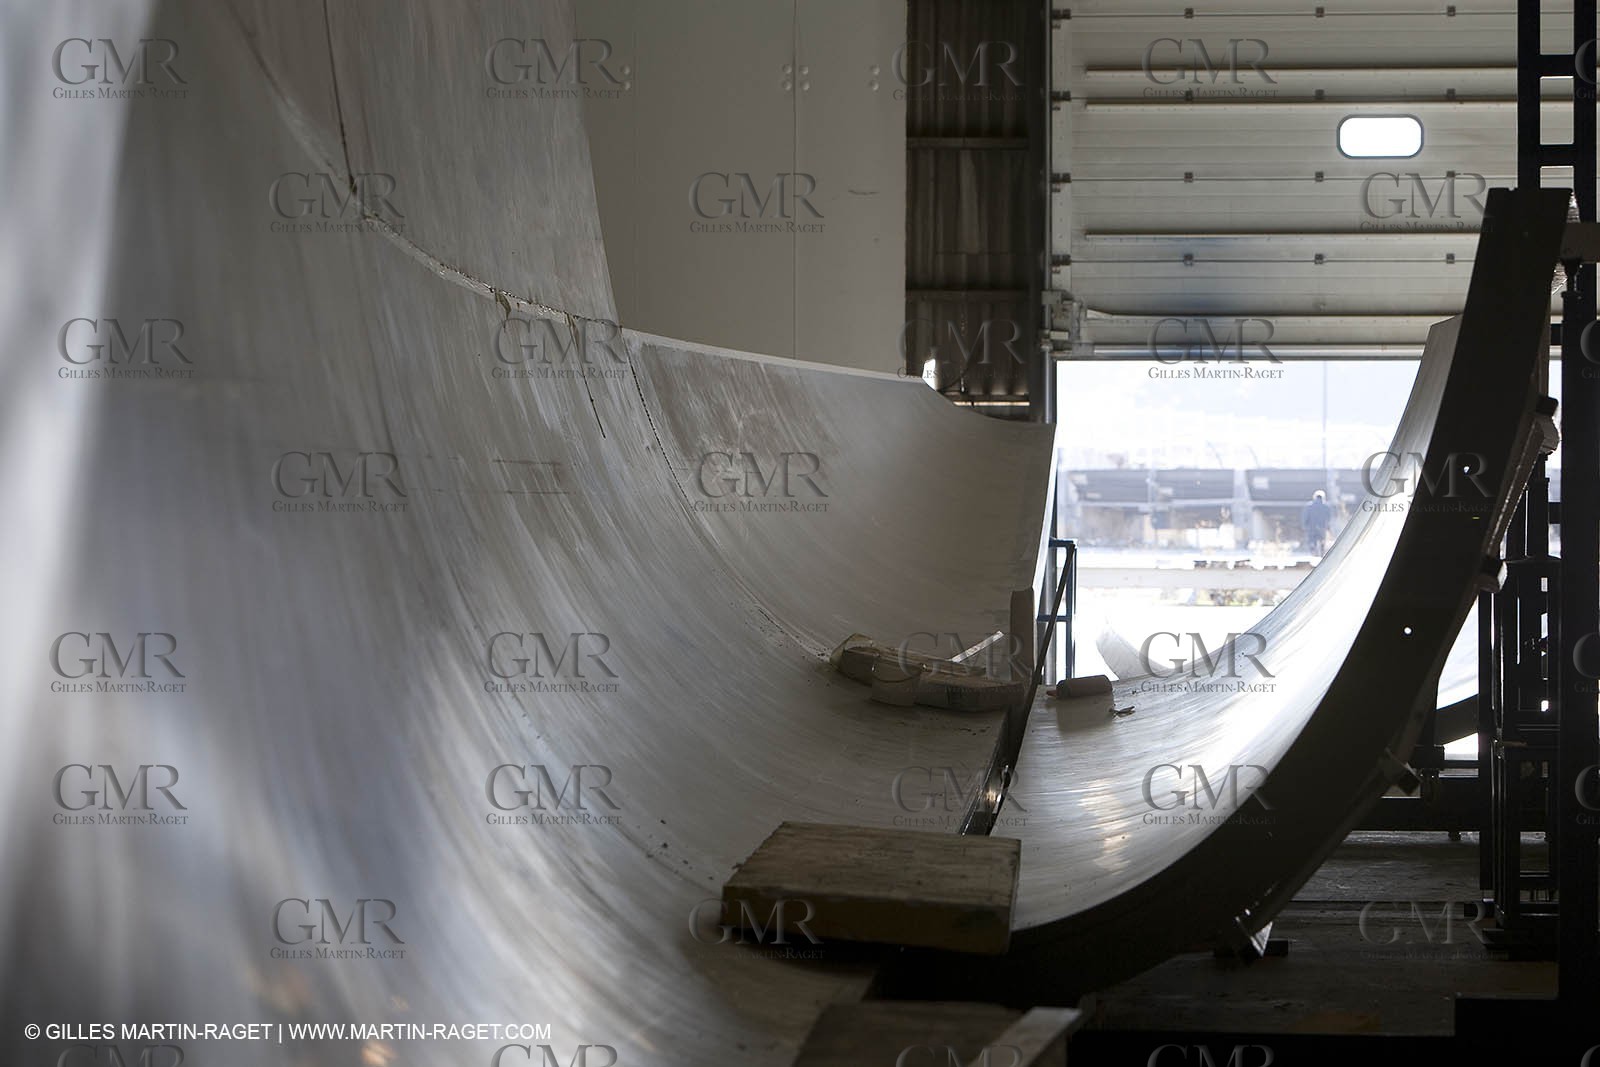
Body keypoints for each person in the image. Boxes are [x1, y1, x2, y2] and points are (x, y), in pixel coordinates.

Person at [1301, 489, 1332, 557]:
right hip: (1322, 527)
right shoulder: (1326, 507)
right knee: (1322, 541)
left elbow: (1305, 517)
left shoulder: (1309, 506)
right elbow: (1329, 518)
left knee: (1312, 541)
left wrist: (1304, 525)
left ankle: (1314, 553)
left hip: (1311, 528)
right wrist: (1328, 527)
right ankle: (1321, 554)